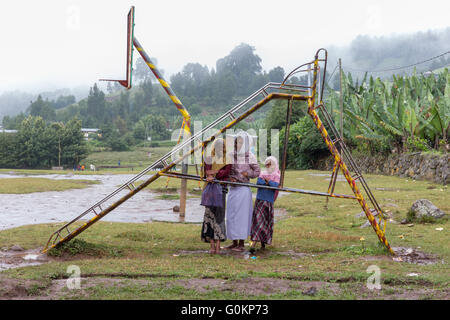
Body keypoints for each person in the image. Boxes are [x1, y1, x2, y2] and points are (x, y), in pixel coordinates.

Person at [225, 131, 261, 252]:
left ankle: (241, 243)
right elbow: (227, 170)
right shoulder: (231, 155)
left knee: (242, 217)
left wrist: (248, 173)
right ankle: (234, 242)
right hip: (233, 189)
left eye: (241, 142)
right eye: (237, 142)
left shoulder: (250, 156)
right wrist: (230, 177)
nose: (238, 144)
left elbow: (257, 172)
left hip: (243, 189)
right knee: (231, 216)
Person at [200, 138, 232, 254]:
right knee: (209, 216)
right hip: (209, 190)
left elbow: (226, 172)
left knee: (219, 216)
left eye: (222, 146)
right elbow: (207, 171)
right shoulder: (209, 158)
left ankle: (218, 246)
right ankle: (212, 246)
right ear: (214, 147)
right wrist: (211, 175)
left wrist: (216, 174)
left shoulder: (227, 159)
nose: (220, 148)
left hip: (221, 189)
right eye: (217, 146)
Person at [250, 156, 280, 253]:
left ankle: (263, 242)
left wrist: (267, 182)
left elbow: (275, 185)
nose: (268, 166)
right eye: (267, 164)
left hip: (268, 202)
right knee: (258, 221)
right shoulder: (263, 173)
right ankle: (253, 243)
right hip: (260, 200)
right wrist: (267, 183)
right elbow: (259, 182)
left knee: (266, 222)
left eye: (270, 164)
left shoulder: (277, 174)